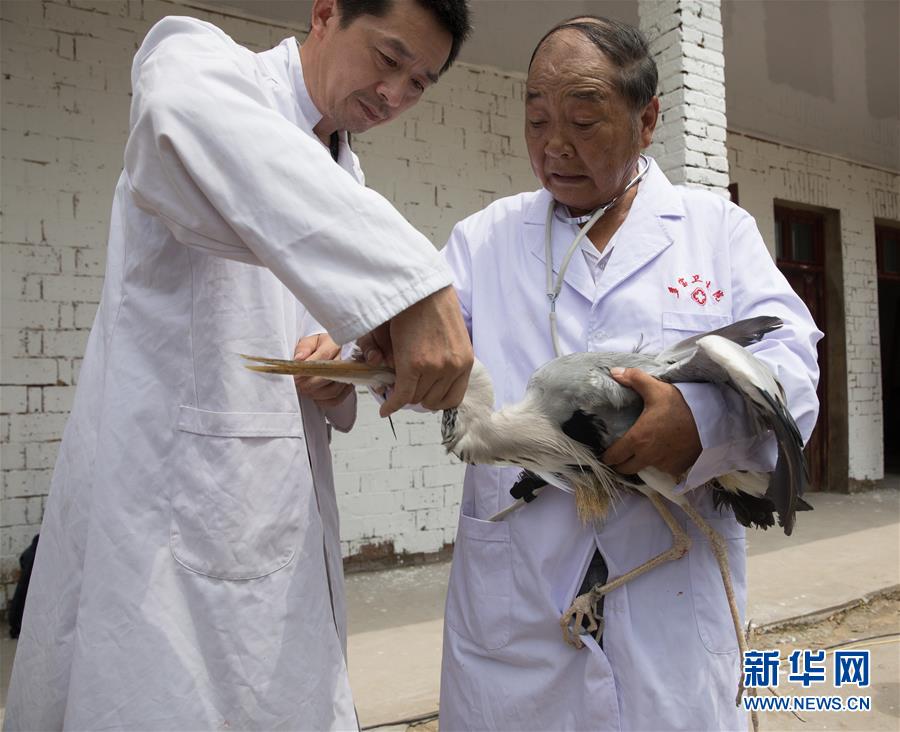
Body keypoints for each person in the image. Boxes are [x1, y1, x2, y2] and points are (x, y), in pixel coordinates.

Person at [4, 0, 472, 729]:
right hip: (166, 523)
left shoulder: (343, 179)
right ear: (326, 12)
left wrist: (338, 372)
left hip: (274, 521)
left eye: (419, 83)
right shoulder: (200, 66)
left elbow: (314, 325)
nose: (394, 95)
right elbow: (182, 113)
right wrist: (417, 284)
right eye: (388, 59)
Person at [434, 16, 822, 731]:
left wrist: (701, 424)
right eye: (537, 120)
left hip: (670, 616)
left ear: (647, 122)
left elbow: (791, 364)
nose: (555, 145)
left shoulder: (716, 231)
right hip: (519, 622)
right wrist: (365, 349)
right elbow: (416, 339)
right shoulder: (483, 240)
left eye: (583, 121)